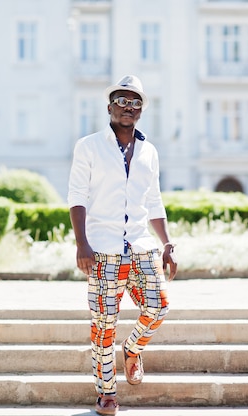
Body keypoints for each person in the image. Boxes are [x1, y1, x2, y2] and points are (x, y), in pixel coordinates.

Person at [67, 75, 178, 415]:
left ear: (141, 110)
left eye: (135, 102)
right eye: (122, 100)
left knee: (158, 307)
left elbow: (154, 201)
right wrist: (81, 244)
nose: (128, 107)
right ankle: (107, 394)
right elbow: (77, 197)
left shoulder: (149, 151)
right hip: (102, 249)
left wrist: (167, 243)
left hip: (142, 246)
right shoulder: (88, 146)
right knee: (103, 325)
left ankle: (132, 349)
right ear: (109, 106)